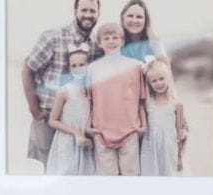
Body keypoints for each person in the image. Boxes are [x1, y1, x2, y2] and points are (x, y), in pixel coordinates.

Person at [20, 0, 100, 169]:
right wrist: (34, 109)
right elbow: (28, 69)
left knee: (79, 168)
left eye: (92, 11)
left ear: (98, 14)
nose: (88, 15)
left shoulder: (96, 45)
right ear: (75, 11)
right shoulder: (53, 37)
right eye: (84, 10)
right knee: (50, 171)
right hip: (49, 115)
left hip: (78, 120)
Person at [86, 20, 149, 176]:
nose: (111, 41)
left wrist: (143, 125)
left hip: (130, 130)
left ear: (122, 41)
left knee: (131, 174)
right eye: (106, 38)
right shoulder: (92, 69)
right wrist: (89, 126)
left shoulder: (135, 66)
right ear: (99, 43)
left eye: (115, 38)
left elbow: (141, 100)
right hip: (101, 131)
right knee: (106, 177)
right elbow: (91, 102)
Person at [45, 48, 95, 176]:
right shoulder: (64, 91)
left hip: (84, 141)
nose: (78, 68)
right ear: (70, 68)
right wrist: (75, 132)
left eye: (81, 65)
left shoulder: (91, 91)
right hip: (67, 140)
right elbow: (52, 121)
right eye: (74, 66)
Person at [138, 55, 188, 176]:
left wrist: (180, 157)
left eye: (161, 79)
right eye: (154, 81)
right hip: (150, 149)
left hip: (169, 148)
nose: (158, 83)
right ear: (149, 84)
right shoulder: (147, 104)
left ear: (168, 79)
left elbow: (181, 135)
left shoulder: (177, 104)